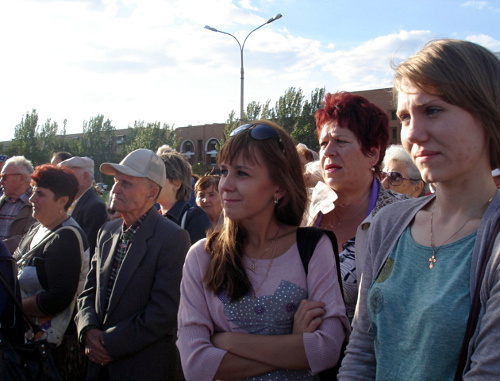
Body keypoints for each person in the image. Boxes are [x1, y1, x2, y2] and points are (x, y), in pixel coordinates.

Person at [339, 39, 500, 380]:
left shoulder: (493, 242)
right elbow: (362, 352)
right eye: (405, 117)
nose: (413, 133)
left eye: (433, 110)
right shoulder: (388, 224)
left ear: (487, 113)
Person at [177, 121, 350, 381]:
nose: (225, 185)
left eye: (242, 173)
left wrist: (226, 341)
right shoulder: (202, 256)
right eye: (224, 171)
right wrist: (294, 345)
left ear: (279, 186)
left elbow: (326, 349)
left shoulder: (313, 247)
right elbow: (196, 367)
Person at [75, 148, 191, 381]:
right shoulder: (107, 232)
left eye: (126, 183)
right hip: (98, 367)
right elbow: (88, 292)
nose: (116, 188)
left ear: (152, 192)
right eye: (117, 181)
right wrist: (88, 330)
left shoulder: (172, 238)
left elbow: (163, 312)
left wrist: (107, 344)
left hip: (142, 368)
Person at [303, 91, 407, 321]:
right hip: (298, 350)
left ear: (372, 153)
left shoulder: (402, 218)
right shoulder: (304, 208)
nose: (328, 151)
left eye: (340, 141)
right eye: (323, 143)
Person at [14, 164, 90, 378]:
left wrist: (14, 305)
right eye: (32, 192)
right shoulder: (37, 228)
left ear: (62, 201)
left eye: (40, 194)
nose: (31, 199)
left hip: (51, 352)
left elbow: (58, 298)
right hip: (28, 343)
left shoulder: (66, 237)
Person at [157, 151, 210, 244]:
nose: (152, 182)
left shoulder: (195, 217)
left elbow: (198, 257)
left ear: (176, 183)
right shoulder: (153, 217)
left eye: (158, 176)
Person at [59, 156, 109, 257]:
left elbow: (87, 249)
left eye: (69, 175)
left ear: (86, 176)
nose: (63, 180)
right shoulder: (74, 201)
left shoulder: (94, 206)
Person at [0, 156, 36, 253]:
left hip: (16, 264)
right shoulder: (3, 201)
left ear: (22, 178)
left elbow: (30, 238)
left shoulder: (38, 203)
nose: (1, 182)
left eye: (4, 177)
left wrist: (3, 247)